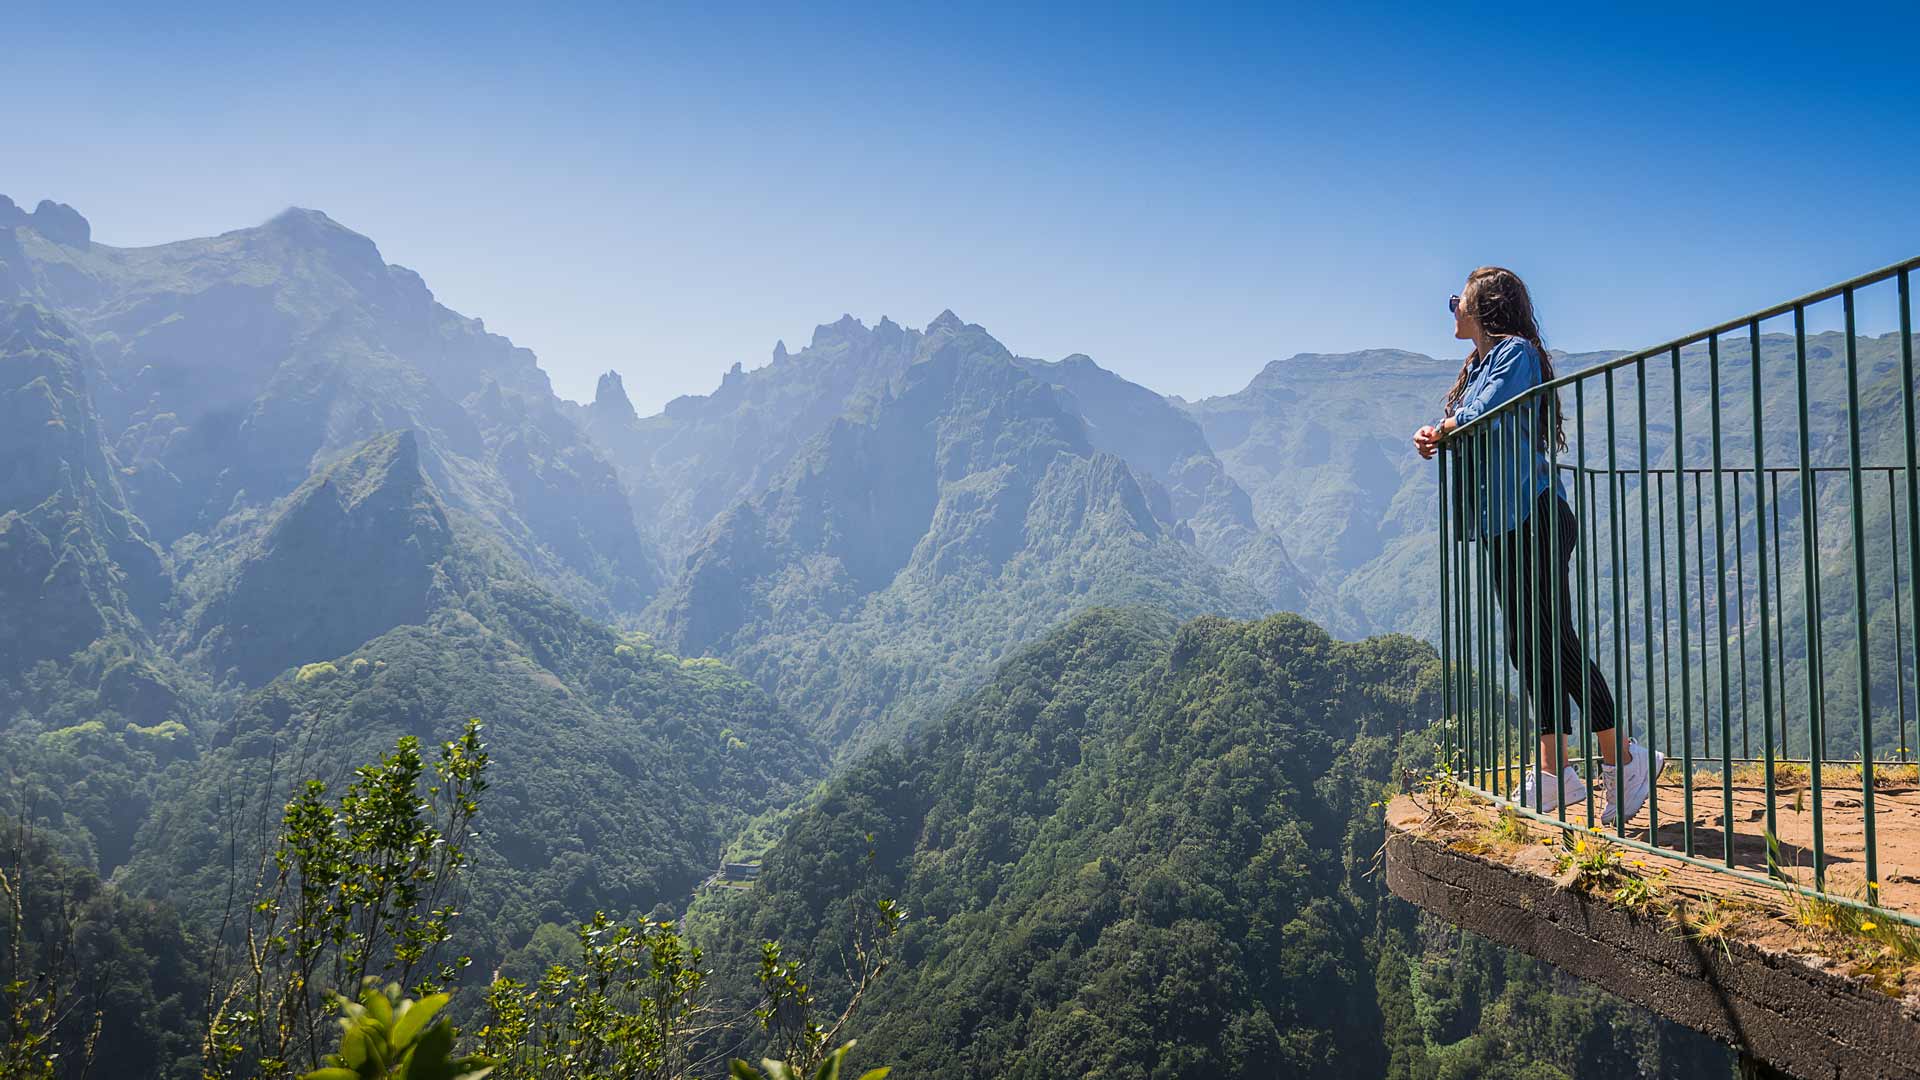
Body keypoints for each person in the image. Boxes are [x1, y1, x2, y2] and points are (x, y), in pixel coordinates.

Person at [1412, 266, 1664, 825]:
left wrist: (1447, 426)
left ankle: (1624, 759)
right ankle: (1555, 775)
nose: (1452, 307)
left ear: (1485, 305)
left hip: (1535, 516)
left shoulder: (1515, 354)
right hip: (1504, 523)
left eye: (1459, 299)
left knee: (1555, 640)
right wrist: (1438, 437)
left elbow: (1483, 418)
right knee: (1526, 646)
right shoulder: (1477, 365)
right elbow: (1470, 426)